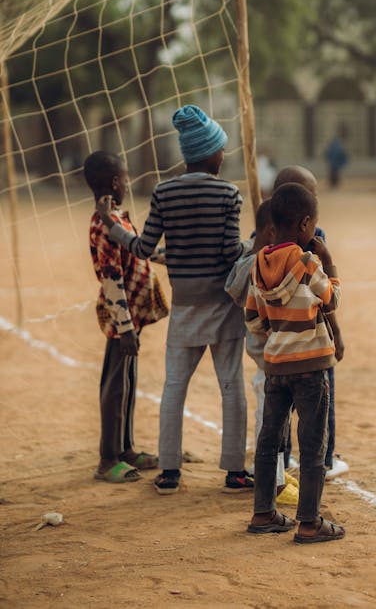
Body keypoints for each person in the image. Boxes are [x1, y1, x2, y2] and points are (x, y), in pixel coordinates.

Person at [96, 105, 252, 495]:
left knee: (174, 387)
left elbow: (146, 247)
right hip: (222, 305)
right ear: (211, 153)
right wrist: (255, 247)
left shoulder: (164, 192)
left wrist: (114, 229)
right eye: (221, 149)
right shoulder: (229, 194)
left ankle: (169, 471)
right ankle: (234, 471)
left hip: (185, 307)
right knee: (231, 385)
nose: (223, 155)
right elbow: (230, 254)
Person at [245, 182, 346, 543]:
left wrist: (279, 327)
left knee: (269, 439)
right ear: (306, 225)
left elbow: (254, 321)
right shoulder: (307, 261)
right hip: (311, 365)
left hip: (276, 365)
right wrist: (328, 261)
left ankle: (263, 513)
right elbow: (331, 299)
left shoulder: (258, 263)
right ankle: (308, 522)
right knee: (312, 442)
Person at [84, 151, 169, 483]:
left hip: (133, 314)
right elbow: (111, 276)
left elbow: (140, 251)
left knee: (128, 379)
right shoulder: (102, 223)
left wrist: (179, 256)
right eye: (126, 177)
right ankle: (108, 458)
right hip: (123, 318)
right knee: (115, 383)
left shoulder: (116, 217)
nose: (128, 183)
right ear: (116, 182)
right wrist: (125, 327)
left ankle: (126, 448)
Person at [272, 166, 348, 481]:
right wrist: (337, 332)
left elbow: (253, 309)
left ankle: (285, 457)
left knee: (280, 409)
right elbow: (328, 298)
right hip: (314, 341)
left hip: (277, 345)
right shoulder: (314, 241)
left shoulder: (263, 240)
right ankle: (325, 460)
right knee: (320, 402)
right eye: (312, 194)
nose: (316, 199)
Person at [225, 199, 300, 506]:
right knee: (269, 423)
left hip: (272, 359)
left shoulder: (257, 263)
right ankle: (275, 484)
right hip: (269, 360)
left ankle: (277, 474)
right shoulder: (258, 267)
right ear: (273, 232)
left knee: (277, 423)